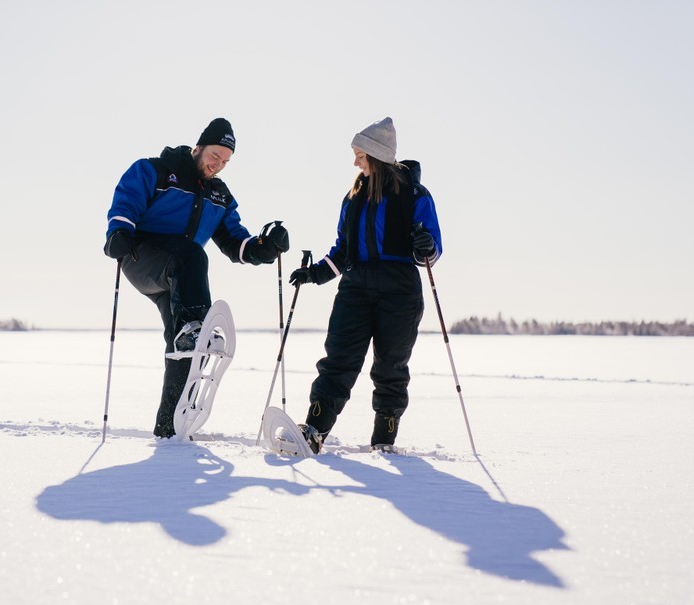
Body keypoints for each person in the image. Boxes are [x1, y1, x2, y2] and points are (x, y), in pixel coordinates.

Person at [104, 118, 290, 438]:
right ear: (199, 147)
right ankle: (194, 327)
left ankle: (170, 428)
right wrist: (118, 230)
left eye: (225, 161)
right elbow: (127, 199)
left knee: (186, 349)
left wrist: (265, 247)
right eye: (214, 156)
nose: (217, 165)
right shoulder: (158, 170)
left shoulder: (218, 195)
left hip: (180, 278)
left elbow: (236, 243)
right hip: (142, 258)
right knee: (191, 255)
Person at [289, 117, 442, 453]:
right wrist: (314, 274)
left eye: (359, 154)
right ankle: (314, 429)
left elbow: (432, 249)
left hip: (400, 288)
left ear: (376, 154)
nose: (355, 162)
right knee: (339, 359)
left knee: (390, 365)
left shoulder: (414, 194)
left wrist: (426, 246)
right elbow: (342, 250)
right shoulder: (353, 197)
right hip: (356, 286)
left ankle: (384, 438)